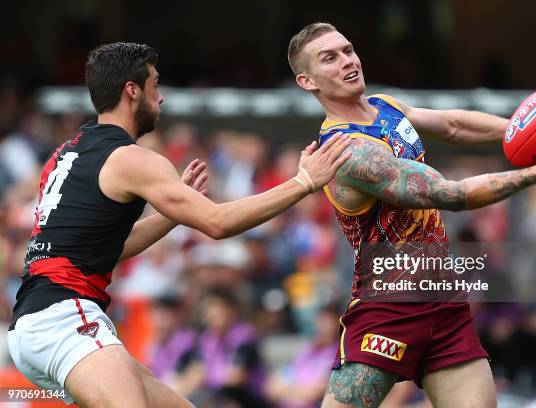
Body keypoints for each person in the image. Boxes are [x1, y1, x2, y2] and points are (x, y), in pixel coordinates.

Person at [6, 42, 351, 407]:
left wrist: (171, 215)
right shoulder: (134, 159)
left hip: (35, 323)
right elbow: (217, 223)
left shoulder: (65, 155)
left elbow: (106, 249)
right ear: (132, 90)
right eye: (155, 84)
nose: (162, 96)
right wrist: (303, 183)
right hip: (65, 320)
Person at [288, 23, 536, 408]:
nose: (348, 61)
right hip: (389, 307)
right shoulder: (348, 153)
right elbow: (449, 194)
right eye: (330, 58)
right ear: (307, 81)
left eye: (347, 50)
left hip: (445, 303)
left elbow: (452, 125)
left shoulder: (384, 106)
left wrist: (527, 129)